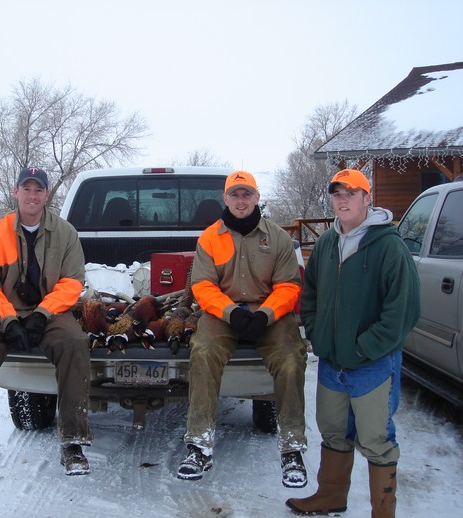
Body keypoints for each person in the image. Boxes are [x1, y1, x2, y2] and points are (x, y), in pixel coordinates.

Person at [286, 169, 420, 517]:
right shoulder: (328, 242)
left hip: (372, 364)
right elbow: (310, 293)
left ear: (367, 197)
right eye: (337, 193)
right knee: (333, 432)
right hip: (332, 363)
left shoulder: (389, 246)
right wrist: (316, 332)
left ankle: (383, 511)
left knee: (376, 439)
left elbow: (403, 313)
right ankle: (331, 495)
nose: (343, 199)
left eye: (351, 192)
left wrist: (363, 348)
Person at [177, 170, 308, 488]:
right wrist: (231, 313)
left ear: (257, 197)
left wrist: (265, 315)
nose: (240, 200)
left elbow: (289, 285)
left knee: (291, 358)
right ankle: (199, 445)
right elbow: (203, 285)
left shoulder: (276, 237)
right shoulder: (210, 237)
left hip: (269, 314)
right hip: (223, 315)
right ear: (225, 198)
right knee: (204, 352)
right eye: (234, 194)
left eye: (246, 194)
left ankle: (292, 449)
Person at [0, 166, 92, 485]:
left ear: (47, 195)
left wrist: (41, 314)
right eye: (27, 189)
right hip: (1, 313)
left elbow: (72, 281)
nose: (32, 195)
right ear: (16, 192)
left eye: (39, 190)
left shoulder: (65, 233)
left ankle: (73, 442)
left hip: (50, 313)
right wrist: (9, 322)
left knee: (75, 343)